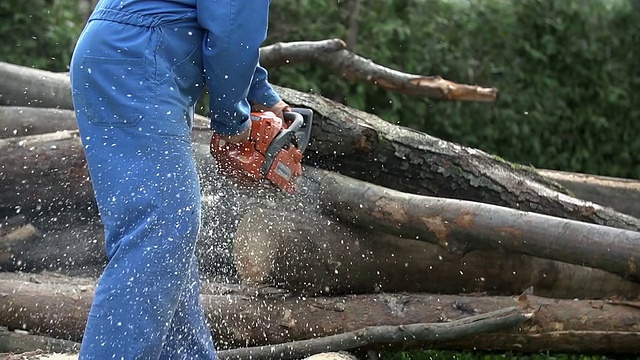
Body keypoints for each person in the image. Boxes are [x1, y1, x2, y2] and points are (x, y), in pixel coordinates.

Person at [69, 0, 289, 358]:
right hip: (137, 60)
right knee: (160, 230)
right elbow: (232, 32)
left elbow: (220, 22)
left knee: (168, 240)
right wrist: (233, 119)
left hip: (119, 52)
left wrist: (262, 95)